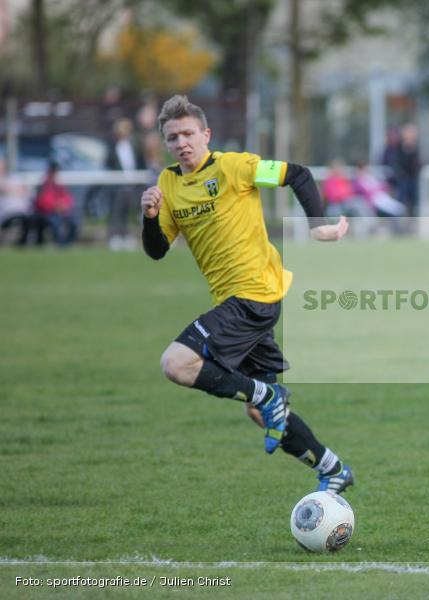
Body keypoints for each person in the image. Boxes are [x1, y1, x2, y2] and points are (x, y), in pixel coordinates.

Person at [140, 95, 354, 494]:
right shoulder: (168, 183)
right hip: (234, 302)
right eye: (172, 137)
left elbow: (299, 174)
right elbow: (156, 250)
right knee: (259, 412)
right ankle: (332, 467)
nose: (181, 142)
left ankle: (268, 393)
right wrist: (150, 217)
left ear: (206, 134)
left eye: (188, 133)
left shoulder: (234, 166)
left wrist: (317, 226)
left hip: (254, 294)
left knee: (176, 363)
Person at [107, 118, 146, 251]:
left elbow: (140, 162)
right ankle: (115, 236)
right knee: (117, 212)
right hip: (118, 185)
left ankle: (127, 236)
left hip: (133, 185)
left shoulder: (134, 146)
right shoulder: (112, 147)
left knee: (131, 212)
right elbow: (109, 165)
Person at [25, 161, 79, 246]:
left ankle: (68, 243)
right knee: (55, 222)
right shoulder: (43, 185)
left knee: (74, 221)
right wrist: (55, 206)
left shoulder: (59, 185)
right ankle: (59, 243)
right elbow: (41, 202)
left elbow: (68, 198)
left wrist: (64, 205)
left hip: (60, 212)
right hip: (47, 213)